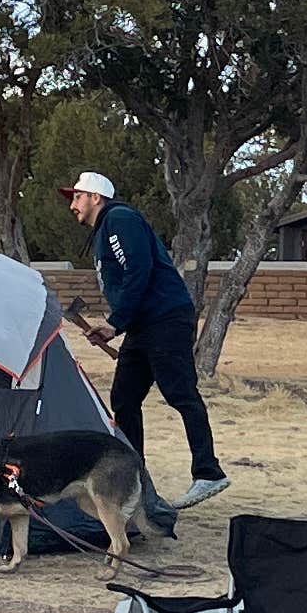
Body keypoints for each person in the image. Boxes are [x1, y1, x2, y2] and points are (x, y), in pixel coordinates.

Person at [60, 170, 225, 503]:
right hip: (141, 326)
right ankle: (133, 482)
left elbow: (139, 268)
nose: (72, 205)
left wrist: (115, 321)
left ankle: (209, 472)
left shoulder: (119, 218)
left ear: (96, 197)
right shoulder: (104, 231)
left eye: (77, 196)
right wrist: (117, 326)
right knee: (123, 398)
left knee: (180, 391)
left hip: (164, 319)